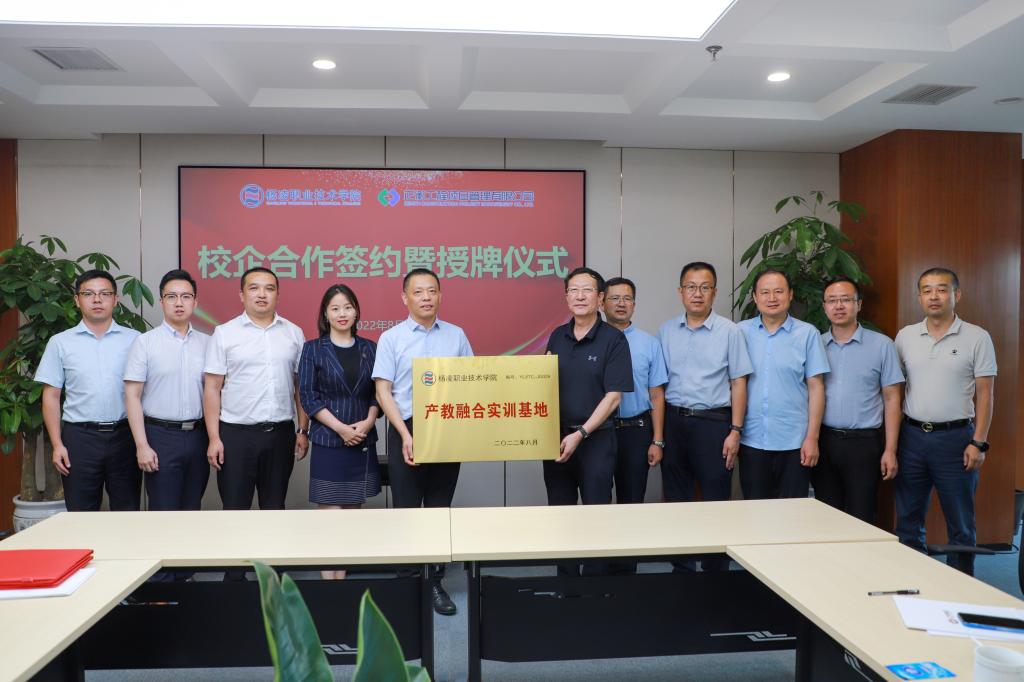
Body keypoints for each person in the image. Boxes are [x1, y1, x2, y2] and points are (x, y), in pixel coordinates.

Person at [372, 268, 472, 615]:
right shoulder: (391, 338)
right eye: (418, 292)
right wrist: (404, 433)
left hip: (447, 427)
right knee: (407, 508)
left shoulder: (457, 335)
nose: (426, 297)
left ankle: (434, 582)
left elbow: (471, 382)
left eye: (432, 291)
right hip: (407, 427)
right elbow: (383, 391)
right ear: (405, 298)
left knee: (439, 509)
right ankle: (408, 581)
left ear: (440, 295)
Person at [894, 267, 996, 575]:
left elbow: (986, 394)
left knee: (960, 523)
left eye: (941, 289)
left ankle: (961, 586)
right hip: (912, 438)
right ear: (919, 297)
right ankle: (911, 581)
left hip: (956, 440)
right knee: (908, 519)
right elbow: (895, 390)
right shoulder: (905, 336)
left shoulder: (977, 337)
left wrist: (978, 442)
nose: (934, 296)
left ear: (956, 294)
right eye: (927, 290)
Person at [658, 262, 751, 570]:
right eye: (691, 287)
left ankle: (715, 573)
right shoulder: (666, 331)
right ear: (680, 291)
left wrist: (735, 430)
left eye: (704, 287)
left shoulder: (730, 331)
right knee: (676, 500)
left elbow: (739, 383)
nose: (697, 294)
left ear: (714, 292)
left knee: (715, 500)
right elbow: (658, 386)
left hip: (713, 423)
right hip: (674, 422)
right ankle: (681, 570)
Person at [545, 267, 633, 575]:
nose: (580, 296)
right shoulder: (557, 336)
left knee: (596, 515)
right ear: (566, 297)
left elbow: (614, 397)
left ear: (600, 298)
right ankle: (566, 586)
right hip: (557, 440)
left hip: (596, 440)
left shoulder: (614, 340)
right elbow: (542, 385)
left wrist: (581, 433)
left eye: (587, 290)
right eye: (574, 290)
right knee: (561, 514)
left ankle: (595, 587)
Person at [204, 267, 309, 513]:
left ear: (277, 295)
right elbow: (212, 388)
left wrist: (303, 430)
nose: (262, 294)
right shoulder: (224, 333)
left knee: (274, 507)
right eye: (254, 288)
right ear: (242, 295)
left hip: (280, 435)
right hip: (236, 436)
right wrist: (214, 438)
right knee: (234, 508)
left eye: (269, 289)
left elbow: (300, 386)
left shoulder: (294, 333)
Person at [35, 269, 141, 511]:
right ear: (77, 300)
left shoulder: (135, 340)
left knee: (128, 512)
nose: (97, 299)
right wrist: (57, 444)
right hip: (80, 439)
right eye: (89, 294)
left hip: (125, 436)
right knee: (80, 513)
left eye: (105, 293)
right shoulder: (60, 342)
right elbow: (51, 396)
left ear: (115, 299)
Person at [299, 284, 381, 579]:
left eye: (347, 307)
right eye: (335, 308)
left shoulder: (370, 348)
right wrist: (340, 429)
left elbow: (379, 393)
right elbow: (308, 396)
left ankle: (341, 580)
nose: (342, 313)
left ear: (356, 311)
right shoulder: (313, 349)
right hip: (329, 442)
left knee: (351, 517)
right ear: (325, 314)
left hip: (361, 441)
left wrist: (369, 420)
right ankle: (328, 584)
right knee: (330, 518)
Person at [814, 277, 903, 524]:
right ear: (824, 306)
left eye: (846, 299)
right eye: (832, 300)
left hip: (863, 444)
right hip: (824, 441)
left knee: (861, 515)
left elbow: (892, 399)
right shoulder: (815, 344)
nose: (839, 306)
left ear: (859, 304)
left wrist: (890, 450)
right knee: (825, 516)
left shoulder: (882, 345)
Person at [737, 269, 829, 500]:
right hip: (751, 440)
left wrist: (812, 438)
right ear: (755, 297)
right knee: (753, 510)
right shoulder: (740, 332)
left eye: (778, 291)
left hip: (795, 442)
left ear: (790, 295)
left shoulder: (807, 334)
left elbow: (816, 388)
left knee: (793, 512)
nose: (772, 298)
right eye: (765, 292)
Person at [124, 269, 210, 512]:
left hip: (198, 435)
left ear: (195, 302)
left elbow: (216, 392)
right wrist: (142, 445)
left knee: (193, 507)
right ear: (162, 301)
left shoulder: (208, 343)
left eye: (186, 296)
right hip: (160, 436)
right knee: (163, 510)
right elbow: (132, 396)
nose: (179, 303)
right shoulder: (145, 342)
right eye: (171, 297)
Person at [602, 277, 667, 505]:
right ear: (602, 302)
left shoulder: (650, 343)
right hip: (600, 432)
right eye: (615, 298)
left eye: (627, 298)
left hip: (635, 432)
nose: (621, 303)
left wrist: (657, 440)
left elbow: (656, 394)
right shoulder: (593, 341)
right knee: (596, 498)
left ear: (634, 305)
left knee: (632, 500)